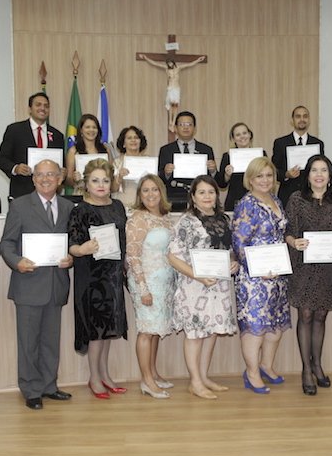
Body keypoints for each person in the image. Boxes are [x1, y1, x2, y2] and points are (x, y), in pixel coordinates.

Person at [0, 159, 75, 410]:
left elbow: (73, 242)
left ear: (60, 178)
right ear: (33, 179)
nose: (45, 179)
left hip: (56, 284)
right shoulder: (20, 206)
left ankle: (49, 386)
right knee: (28, 342)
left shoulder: (67, 206)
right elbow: (6, 243)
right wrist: (17, 261)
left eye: (51, 174)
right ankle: (31, 389)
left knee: (51, 341)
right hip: (28, 283)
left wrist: (71, 257)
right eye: (40, 175)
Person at [285, 155, 332, 395]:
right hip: (304, 267)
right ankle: (306, 369)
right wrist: (294, 242)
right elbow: (288, 233)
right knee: (305, 315)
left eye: (323, 170)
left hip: (328, 268)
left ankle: (318, 364)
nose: (318, 174)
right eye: (314, 170)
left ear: (330, 174)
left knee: (321, 316)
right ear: (308, 175)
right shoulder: (296, 199)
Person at [168, 175, 238, 400]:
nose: (207, 196)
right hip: (194, 286)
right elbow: (172, 257)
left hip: (219, 287)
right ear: (193, 197)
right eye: (202, 192)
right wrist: (198, 276)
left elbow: (228, 250)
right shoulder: (186, 221)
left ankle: (204, 377)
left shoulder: (224, 219)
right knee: (196, 334)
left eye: (211, 192)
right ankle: (195, 382)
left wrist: (233, 262)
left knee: (211, 333)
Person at [68, 159, 128, 399]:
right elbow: (71, 246)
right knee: (95, 331)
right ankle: (94, 377)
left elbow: (123, 240)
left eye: (105, 180)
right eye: (95, 181)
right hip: (91, 277)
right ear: (86, 183)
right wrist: (84, 248)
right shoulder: (79, 209)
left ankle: (105, 373)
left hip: (113, 275)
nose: (101, 185)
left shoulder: (118, 206)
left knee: (109, 329)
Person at [232, 157, 291, 394]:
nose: (265, 180)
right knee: (255, 328)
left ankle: (266, 365)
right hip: (255, 279)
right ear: (250, 179)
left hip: (277, 276)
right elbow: (239, 243)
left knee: (275, 327)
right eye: (259, 176)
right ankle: (252, 373)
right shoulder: (246, 204)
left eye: (269, 175)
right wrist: (257, 269)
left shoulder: (275, 199)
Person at [125, 174, 176, 399]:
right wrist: (143, 288)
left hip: (164, 282)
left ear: (161, 192)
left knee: (156, 330)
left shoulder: (165, 218)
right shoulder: (138, 218)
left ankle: (153, 373)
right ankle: (146, 381)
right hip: (145, 282)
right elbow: (133, 256)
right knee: (146, 331)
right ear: (139, 195)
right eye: (145, 191)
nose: (150, 194)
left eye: (154, 190)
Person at [0, 92, 65, 199]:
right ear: (30, 109)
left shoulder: (57, 135)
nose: (42, 108)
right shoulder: (15, 130)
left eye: (46, 106)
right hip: (22, 194)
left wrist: (62, 172)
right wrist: (16, 168)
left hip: (50, 195)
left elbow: (62, 165)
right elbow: (1, 159)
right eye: (38, 105)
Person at [158, 111, 216, 203]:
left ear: (195, 128)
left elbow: (214, 180)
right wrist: (166, 173)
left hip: (201, 198)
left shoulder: (206, 149)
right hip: (174, 198)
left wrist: (213, 171)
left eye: (189, 124)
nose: (185, 127)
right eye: (182, 124)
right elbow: (159, 179)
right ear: (176, 128)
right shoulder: (166, 150)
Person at [271, 105, 325, 205]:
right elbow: (274, 170)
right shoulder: (280, 143)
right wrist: (286, 174)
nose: (302, 119)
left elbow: (322, 169)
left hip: (312, 195)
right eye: (298, 116)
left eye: (305, 116)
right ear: (292, 120)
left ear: (309, 120)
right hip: (287, 195)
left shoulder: (317, 144)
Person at [138, 54, 206, 131]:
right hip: (170, 88)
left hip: (176, 88)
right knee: (170, 105)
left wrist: (198, 60)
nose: (170, 64)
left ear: (173, 62)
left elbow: (189, 64)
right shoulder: (167, 69)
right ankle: (170, 121)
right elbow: (155, 63)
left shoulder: (178, 68)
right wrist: (146, 58)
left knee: (175, 106)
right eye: (168, 63)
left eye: (171, 63)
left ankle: (173, 122)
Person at [215, 122, 267, 211]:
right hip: (235, 201)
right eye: (238, 135)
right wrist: (227, 175)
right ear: (233, 139)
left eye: (244, 133)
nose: (242, 136)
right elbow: (221, 184)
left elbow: (269, 177)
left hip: (259, 200)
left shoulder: (261, 154)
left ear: (250, 135)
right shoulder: (227, 156)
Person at [65, 114, 119, 194]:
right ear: (81, 130)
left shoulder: (106, 149)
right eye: (87, 127)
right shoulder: (73, 151)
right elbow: (68, 180)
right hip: (82, 194)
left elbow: (111, 175)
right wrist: (74, 179)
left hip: (103, 193)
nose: (91, 130)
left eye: (94, 127)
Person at [112, 125, 146, 207]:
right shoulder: (117, 162)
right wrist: (119, 177)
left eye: (136, 137)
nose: (133, 140)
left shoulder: (148, 161)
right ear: (123, 144)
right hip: (122, 205)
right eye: (129, 138)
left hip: (144, 204)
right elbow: (112, 189)